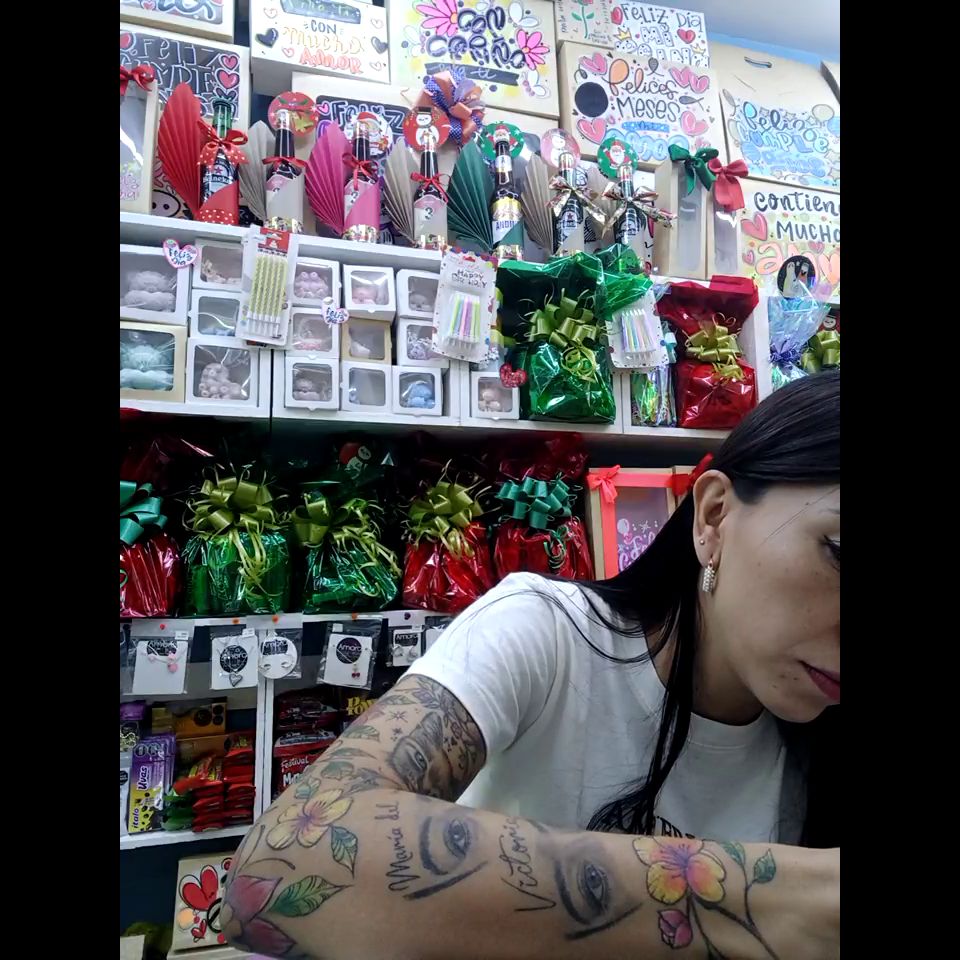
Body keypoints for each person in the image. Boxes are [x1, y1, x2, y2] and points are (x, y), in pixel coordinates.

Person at [223, 371, 841, 960]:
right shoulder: (545, 631)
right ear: (714, 516)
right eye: (838, 552)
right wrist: (774, 900)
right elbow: (279, 869)